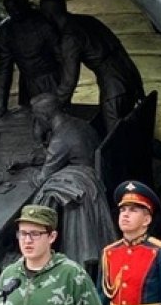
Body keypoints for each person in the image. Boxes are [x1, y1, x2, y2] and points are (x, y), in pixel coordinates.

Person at [26, 92, 113, 266]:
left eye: (37, 119)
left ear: (44, 117)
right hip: (94, 183)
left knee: (45, 192)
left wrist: (29, 174)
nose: (36, 123)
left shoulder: (60, 139)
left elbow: (42, 178)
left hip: (81, 196)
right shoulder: (79, 124)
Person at [39, 0, 145, 133]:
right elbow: (118, 48)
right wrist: (138, 84)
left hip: (113, 83)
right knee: (134, 127)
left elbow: (69, 81)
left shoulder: (70, 37)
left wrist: (53, 105)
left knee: (116, 135)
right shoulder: (88, 20)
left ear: (48, 15)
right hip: (128, 72)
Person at [0, 0, 62, 119]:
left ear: (25, 3)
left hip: (51, 80)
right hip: (27, 83)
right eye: (11, 10)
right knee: (30, 122)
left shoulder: (44, 22)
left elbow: (62, 57)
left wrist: (64, 88)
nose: (15, 12)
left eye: (17, 7)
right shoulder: (6, 30)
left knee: (55, 118)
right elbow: (4, 69)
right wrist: (0, 106)